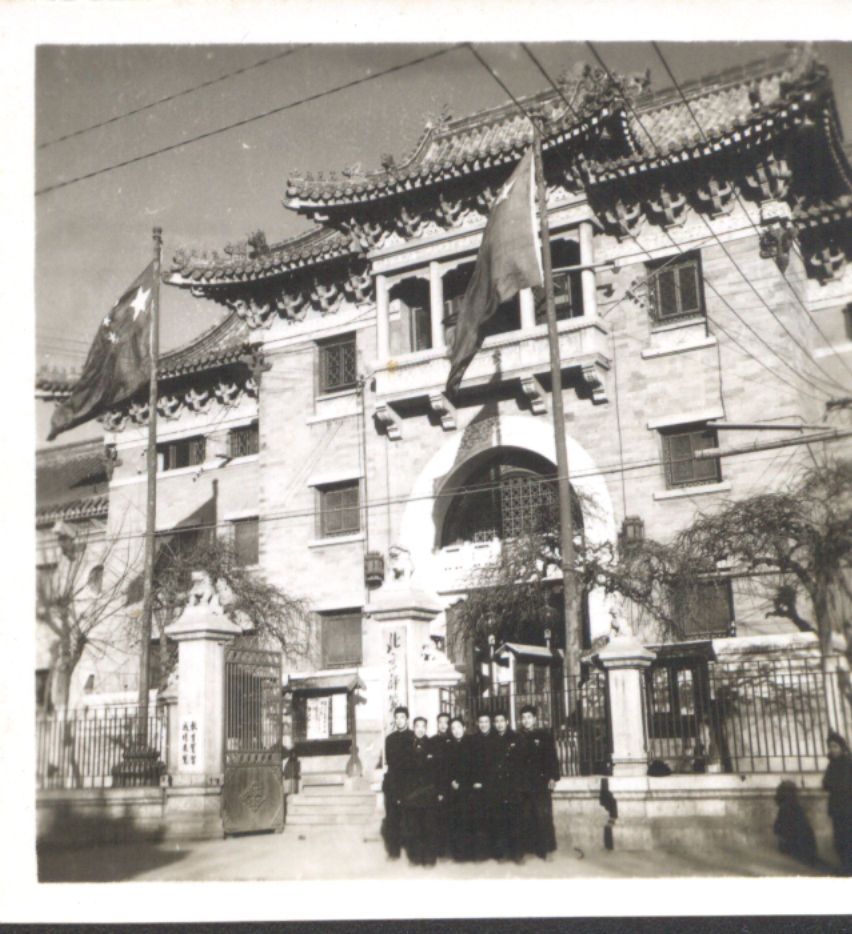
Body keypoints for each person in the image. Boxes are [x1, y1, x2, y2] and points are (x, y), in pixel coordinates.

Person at [518, 704, 559, 859]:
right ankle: (529, 848)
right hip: (523, 783)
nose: (526, 720)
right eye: (523, 718)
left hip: (541, 782)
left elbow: (552, 758)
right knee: (526, 815)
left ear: (535, 719)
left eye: (529, 717)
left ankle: (545, 849)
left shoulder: (544, 736)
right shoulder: (518, 737)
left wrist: (553, 777)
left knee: (543, 815)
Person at [488, 711, 527, 863]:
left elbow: (522, 762)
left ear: (507, 722)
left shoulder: (517, 738)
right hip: (497, 786)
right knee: (499, 821)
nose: (499, 724)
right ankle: (502, 854)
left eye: (501, 721)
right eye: (496, 721)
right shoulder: (491, 739)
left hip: (513, 785)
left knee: (515, 820)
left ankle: (517, 854)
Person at [401, 717, 439, 866]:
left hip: (428, 793)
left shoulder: (432, 744)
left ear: (426, 728)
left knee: (429, 826)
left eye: (423, 726)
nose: (420, 729)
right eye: (418, 726)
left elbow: (437, 769)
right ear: (414, 728)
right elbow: (403, 770)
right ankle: (415, 857)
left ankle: (429, 858)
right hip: (412, 794)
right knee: (414, 826)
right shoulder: (407, 745)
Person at [382, 705, 413, 861]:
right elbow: (390, 761)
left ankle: (411, 850)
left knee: (410, 817)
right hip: (394, 781)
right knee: (393, 817)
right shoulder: (390, 739)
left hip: (410, 783)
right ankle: (394, 851)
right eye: (397, 717)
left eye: (402, 717)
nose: (399, 720)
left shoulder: (413, 736)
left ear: (407, 719)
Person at [822, 730, 852, 875]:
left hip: (848, 807)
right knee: (839, 838)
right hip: (837, 807)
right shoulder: (832, 764)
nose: (832, 749)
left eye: (835, 746)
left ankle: (848, 867)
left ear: (842, 747)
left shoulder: (847, 762)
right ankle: (845, 866)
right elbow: (825, 784)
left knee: (847, 837)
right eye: (830, 746)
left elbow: (844, 784)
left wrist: (834, 784)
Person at [467, 711, 495, 861]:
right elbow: (468, 764)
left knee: (492, 818)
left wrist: (487, 782)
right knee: (478, 819)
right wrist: (474, 781)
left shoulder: (496, 738)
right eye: (481, 722)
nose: (484, 724)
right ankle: (480, 852)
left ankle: (493, 850)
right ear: (477, 723)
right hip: (476, 786)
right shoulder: (472, 740)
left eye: (486, 721)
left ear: (490, 723)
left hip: (492, 785)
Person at [445, 717, 473, 861]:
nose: (456, 731)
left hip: (468, 788)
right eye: (453, 728)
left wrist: (462, 782)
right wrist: (451, 781)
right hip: (453, 788)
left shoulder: (472, 744)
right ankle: (457, 852)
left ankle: (469, 852)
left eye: (458, 727)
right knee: (455, 819)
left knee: (468, 819)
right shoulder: (448, 745)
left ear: (464, 728)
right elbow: (445, 768)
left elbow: (474, 767)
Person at [430, 712, 453, 858]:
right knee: (438, 817)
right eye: (440, 722)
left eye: (446, 722)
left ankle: (451, 849)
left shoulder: (454, 739)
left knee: (452, 817)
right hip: (438, 785)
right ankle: (440, 849)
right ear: (437, 724)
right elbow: (431, 767)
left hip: (452, 785)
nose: (443, 725)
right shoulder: (432, 741)